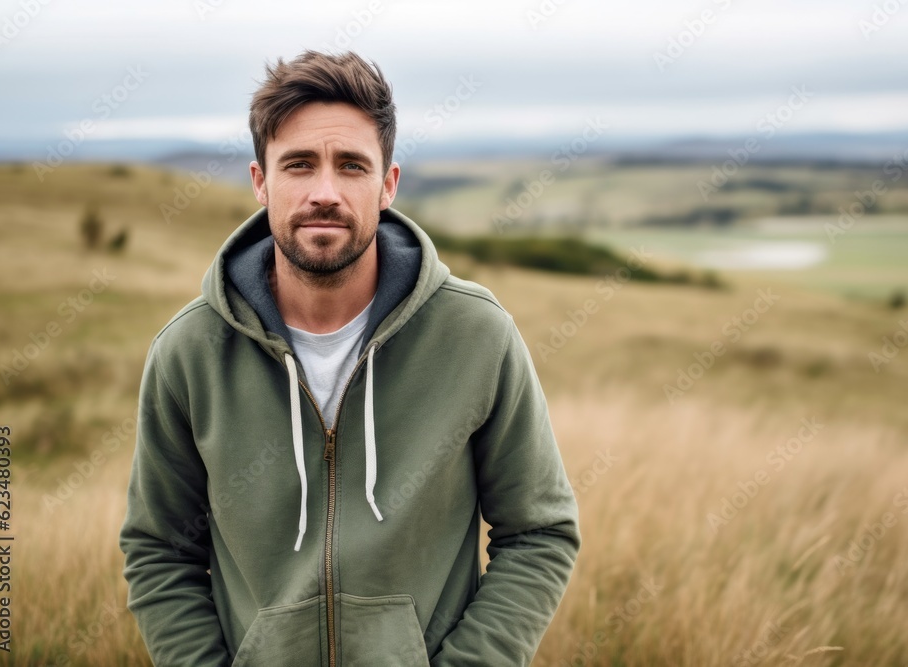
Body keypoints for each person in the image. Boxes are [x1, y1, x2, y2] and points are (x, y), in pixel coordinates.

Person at [119, 50, 580, 666]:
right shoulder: (189, 353)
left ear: (388, 185)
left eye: (352, 166)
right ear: (261, 181)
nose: (325, 192)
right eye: (300, 165)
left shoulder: (475, 334)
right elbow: (159, 551)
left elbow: (539, 532)